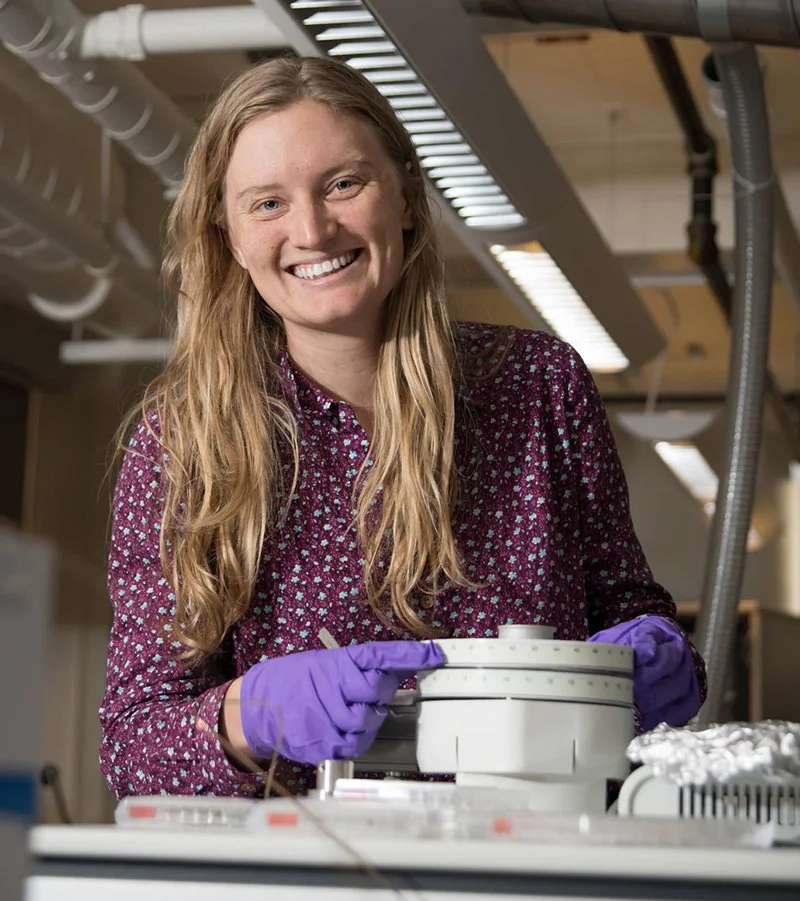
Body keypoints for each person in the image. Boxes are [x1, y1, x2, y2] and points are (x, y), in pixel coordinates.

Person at [99, 56, 705, 800]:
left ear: (407, 198)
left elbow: (630, 612)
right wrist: (244, 713)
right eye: (267, 203)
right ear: (229, 238)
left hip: (535, 853)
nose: (313, 229)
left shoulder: (539, 385)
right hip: (312, 871)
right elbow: (131, 742)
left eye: (343, 184)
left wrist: (662, 654)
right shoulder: (182, 447)